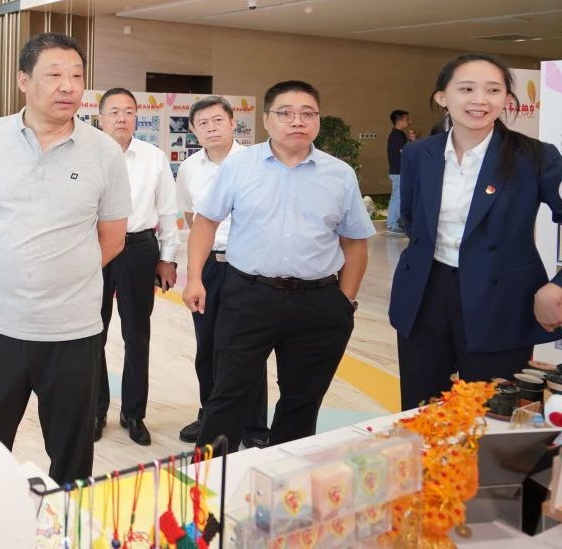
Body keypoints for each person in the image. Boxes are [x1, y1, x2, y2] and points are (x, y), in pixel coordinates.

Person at [0, 33, 131, 483]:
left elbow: (112, 239)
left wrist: (60, 274)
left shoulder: (104, 153)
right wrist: (9, 263)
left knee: (71, 462)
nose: (68, 86)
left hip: (73, 336)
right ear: (23, 80)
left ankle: (64, 521)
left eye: (76, 76)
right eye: (54, 75)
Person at [183, 80, 374, 451]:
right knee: (228, 394)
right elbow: (205, 222)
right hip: (249, 296)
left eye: (307, 113)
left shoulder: (339, 174)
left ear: (318, 120)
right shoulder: (240, 166)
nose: (297, 121)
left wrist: (344, 301)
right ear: (266, 120)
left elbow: (354, 242)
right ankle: (209, 481)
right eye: (285, 113)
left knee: (302, 401)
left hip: (318, 302)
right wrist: (195, 278)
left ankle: (286, 479)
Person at [390, 54, 562, 408]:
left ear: (507, 99)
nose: (480, 100)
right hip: (425, 295)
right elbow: (410, 217)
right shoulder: (419, 153)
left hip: (501, 300)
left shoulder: (535, 156)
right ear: (443, 97)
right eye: (466, 89)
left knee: (491, 411)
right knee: (422, 408)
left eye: (493, 90)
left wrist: (558, 285)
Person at [174, 96, 268, 447]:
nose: (211, 128)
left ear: (232, 123)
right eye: (203, 123)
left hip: (249, 264)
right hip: (211, 264)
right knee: (208, 345)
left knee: (249, 346)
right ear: (193, 130)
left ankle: (254, 427)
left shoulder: (258, 162)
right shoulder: (189, 168)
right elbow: (190, 217)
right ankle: (210, 416)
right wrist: (197, 270)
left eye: (218, 120)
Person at [92, 87, 178, 446]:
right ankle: (95, 411)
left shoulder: (153, 157)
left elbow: (168, 211)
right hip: (94, 247)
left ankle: (133, 413)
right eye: (114, 112)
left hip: (139, 248)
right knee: (91, 332)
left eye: (129, 112)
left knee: (137, 334)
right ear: (100, 118)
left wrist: (168, 257)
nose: (122, 118)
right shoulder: (86, 154)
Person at [386, 109, 413, 235]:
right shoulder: (397, 135)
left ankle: (396, 222)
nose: (409, 122)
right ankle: (392, 224)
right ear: (400, 121)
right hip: (398, 172)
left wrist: (411, 141)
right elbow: (406, 152)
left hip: (399, 171)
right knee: (397, 198)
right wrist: (413, 142)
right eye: (407, 119)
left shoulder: (399, 134)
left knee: (399, 197)